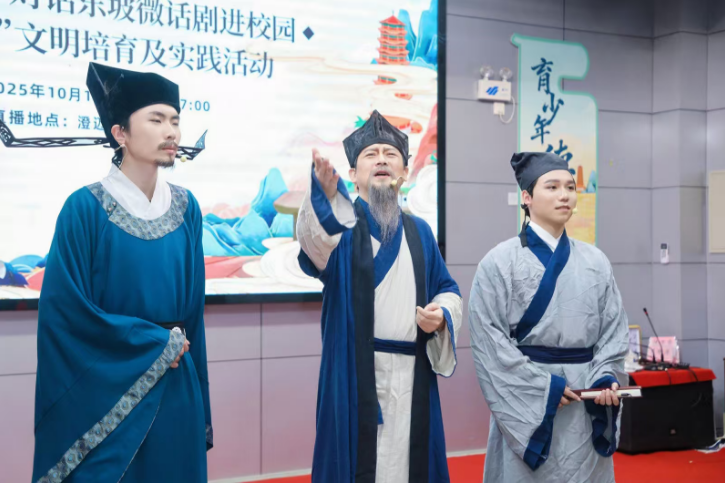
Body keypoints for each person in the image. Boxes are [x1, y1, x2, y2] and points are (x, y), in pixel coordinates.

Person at [32, 62, 212, 483]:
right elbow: (65, 316)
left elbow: (194, 317)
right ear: (120, 133)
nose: (171, 132)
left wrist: (199, 395)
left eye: (175, 121)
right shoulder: (84, 209)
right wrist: (155, 344)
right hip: (106, 394)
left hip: (177, 384)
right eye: (156, 119)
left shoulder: (187, 208)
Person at [296, 110, 462, 483]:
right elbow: (313, 244)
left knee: (409, 465)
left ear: (405, 172)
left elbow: (447, 289)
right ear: (353, 174)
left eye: (391, 154)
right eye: (371, 154)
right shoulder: (339, 229)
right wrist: (323, 200)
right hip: (355, 375)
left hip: (412, 375)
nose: (382, 160)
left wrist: (441, 314)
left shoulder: (421, 232)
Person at [468, 152, 629, 482]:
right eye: (552, 187)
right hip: (527, 404)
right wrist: (544, 388)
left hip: (584, 399)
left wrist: (605, 377)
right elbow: (489, 344)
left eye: (570, 187)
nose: (564, 195)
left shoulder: (596, 262)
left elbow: (613, 334)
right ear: (526, 198)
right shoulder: (498, 262)